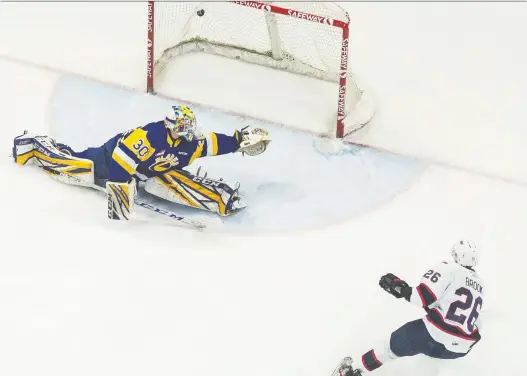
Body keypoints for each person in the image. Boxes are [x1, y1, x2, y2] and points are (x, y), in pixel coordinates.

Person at [13, 104, 271, 220]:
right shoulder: (148, 137)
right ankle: (34, 145)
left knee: (172, 181)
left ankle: (222, 198)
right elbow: (120, 163)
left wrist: (238, 141)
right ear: (175, 127)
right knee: (75, 170)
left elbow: (213, 143)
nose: (192, 129)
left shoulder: (189, 142)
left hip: (150, 171)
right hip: (107, 160)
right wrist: (121, 198)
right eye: (187, 126)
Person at [333, 240, 483, 375]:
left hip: (434, 336)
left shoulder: (448, 269)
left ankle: (352, 372)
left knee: (388, 348)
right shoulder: (480, 285)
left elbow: (422, 297)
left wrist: (401, 289)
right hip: (461, 349)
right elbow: (447, 309)